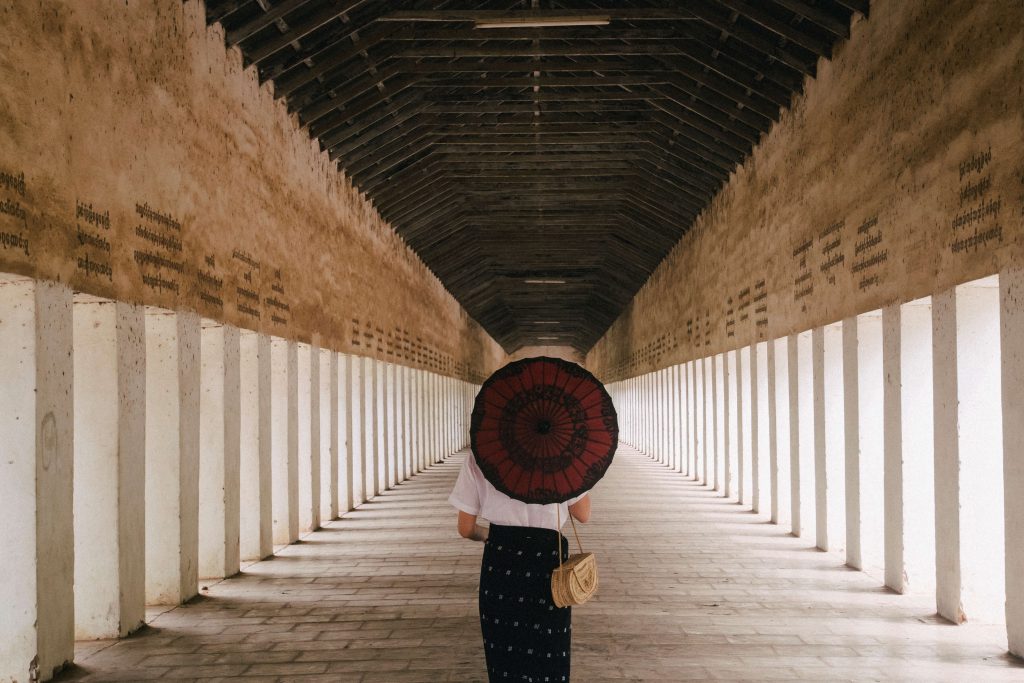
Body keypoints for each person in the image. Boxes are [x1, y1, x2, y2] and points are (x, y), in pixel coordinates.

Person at [449, 453, 592, 683]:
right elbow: (583, 514)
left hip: (501, 564)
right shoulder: (560, 455)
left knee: (505, 656)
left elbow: (466, 528)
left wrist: (486, 535)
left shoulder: (480, 456)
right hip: (547, 566)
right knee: (548, 653)